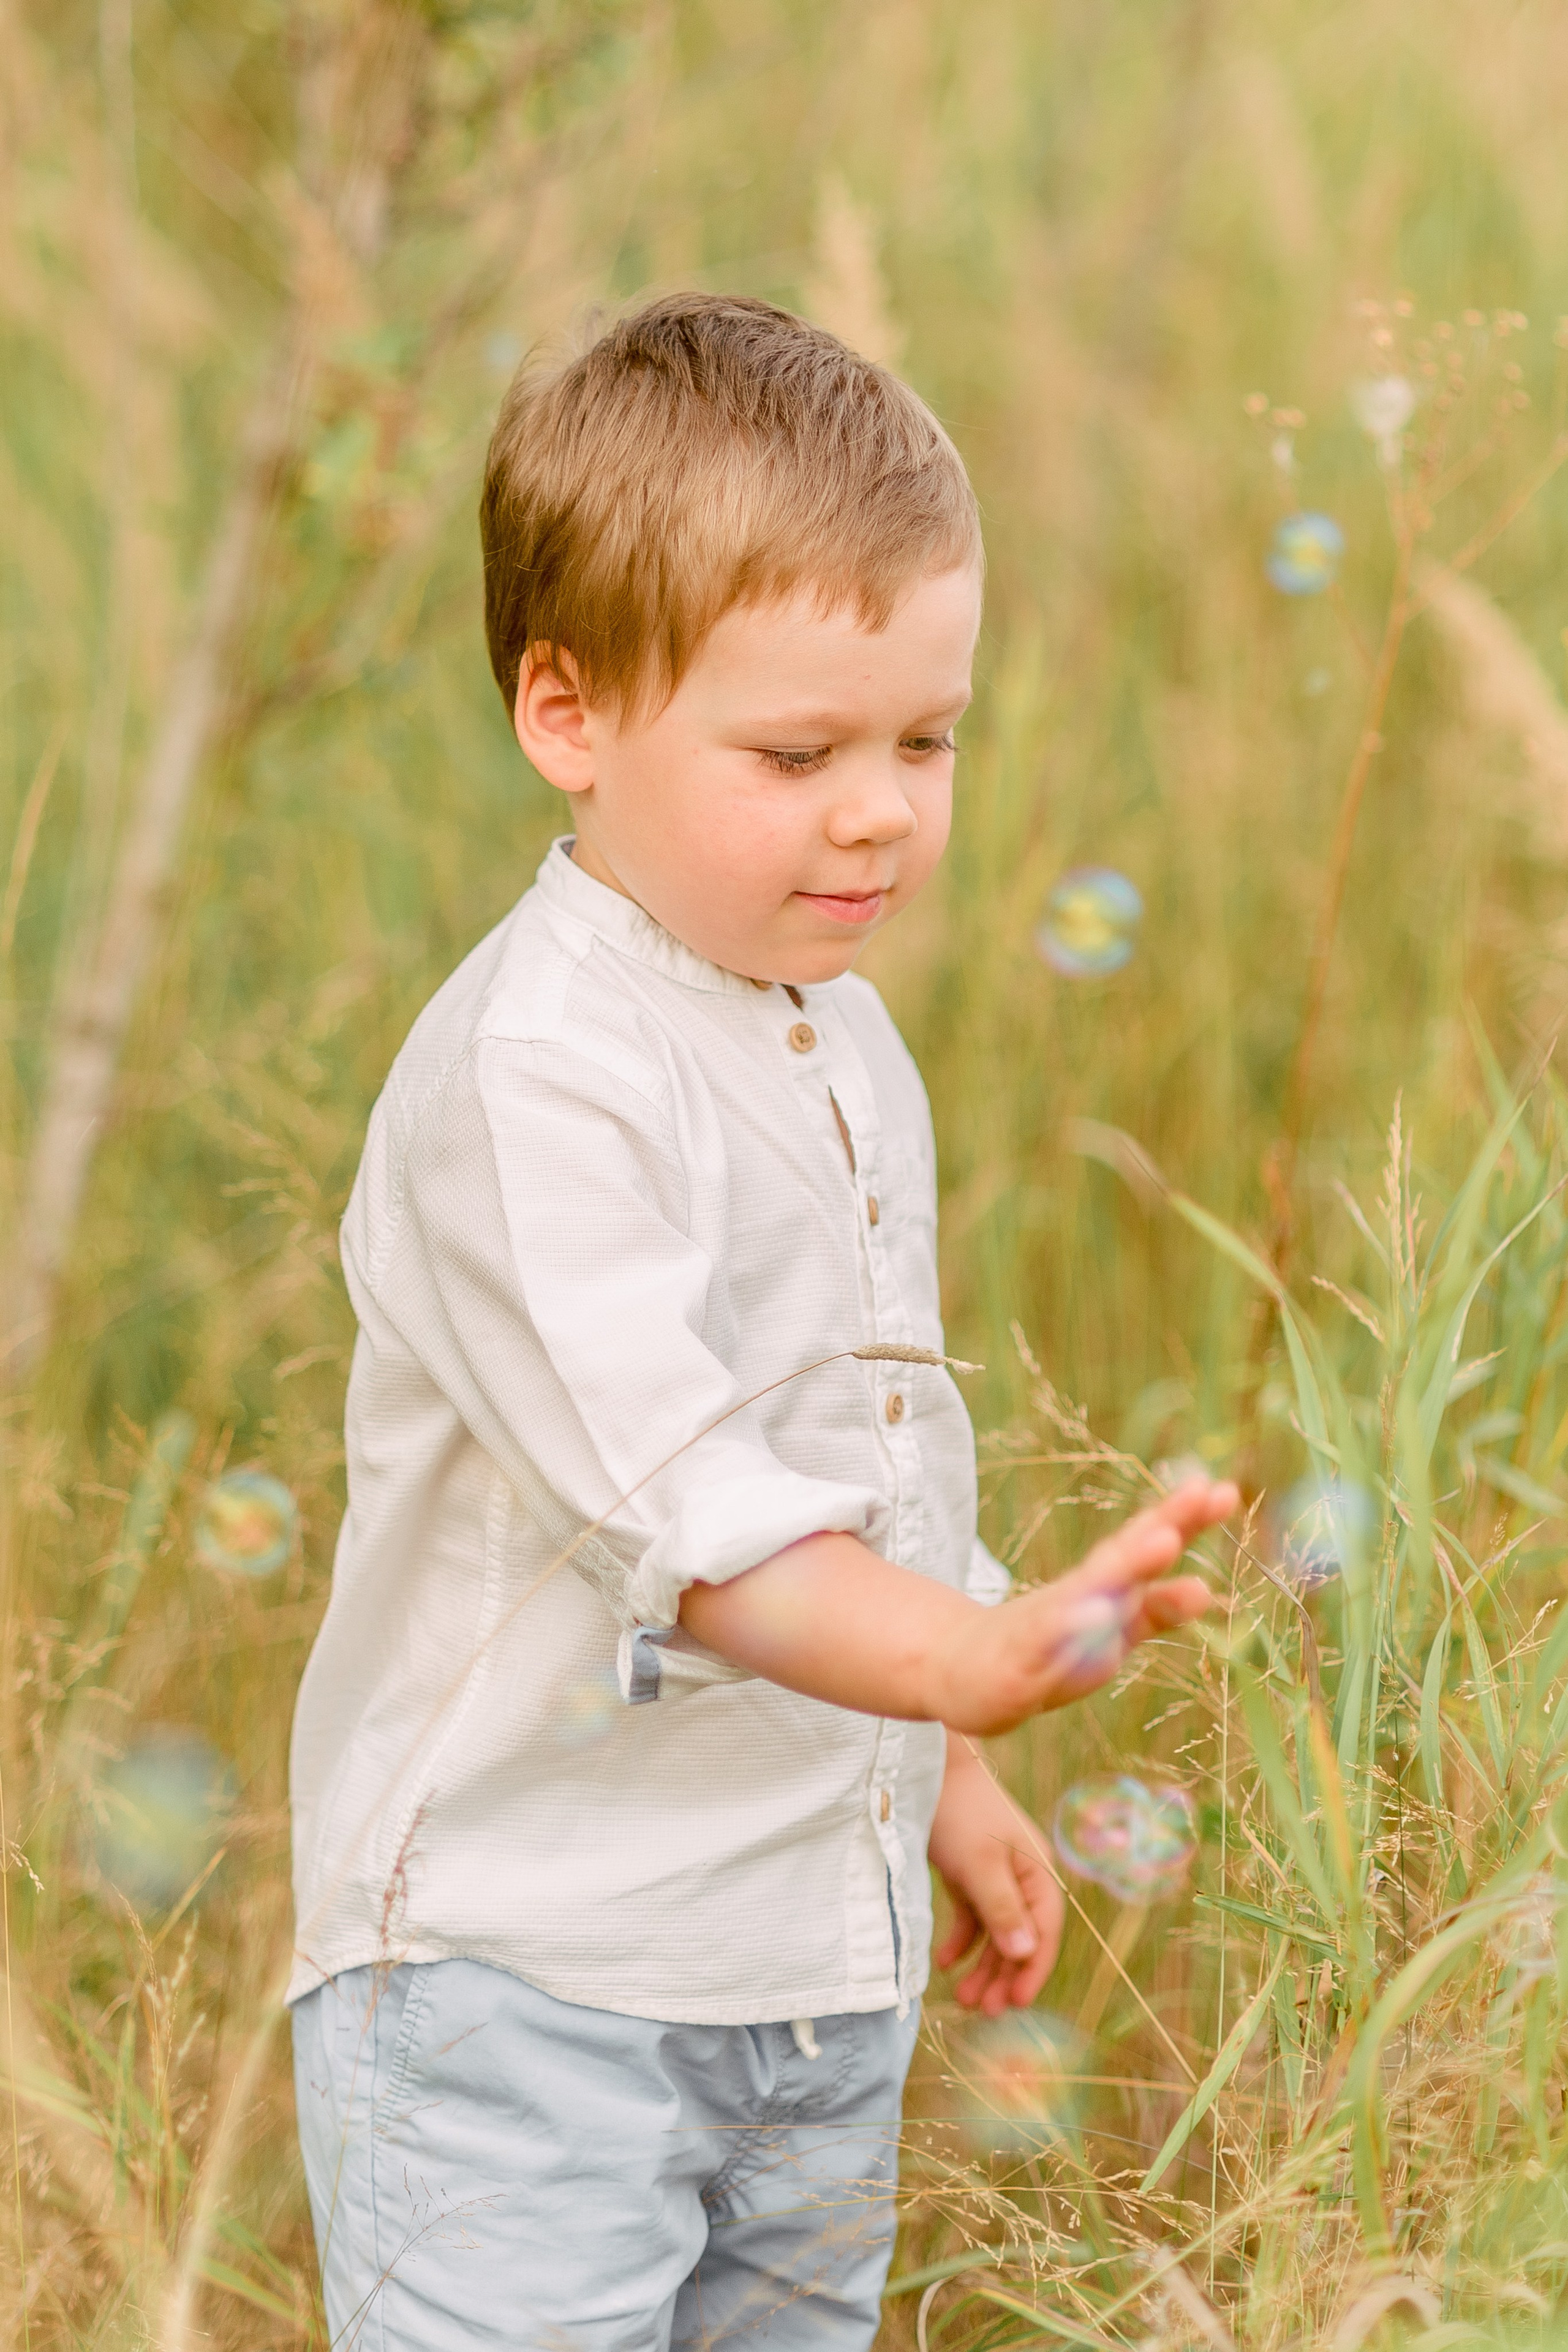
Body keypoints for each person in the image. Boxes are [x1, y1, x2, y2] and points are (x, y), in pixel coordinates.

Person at [287, 291, 1236, 2350]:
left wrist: (936, 1771)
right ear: (570, 713)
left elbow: (854, 1459)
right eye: (799, 754)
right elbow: (703, 1519)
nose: (882, 808)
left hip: (801, 1968)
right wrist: (972, 1666)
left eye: (925, 738)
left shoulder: (842, 1037)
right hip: (526, 1986)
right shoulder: (536, 1079)